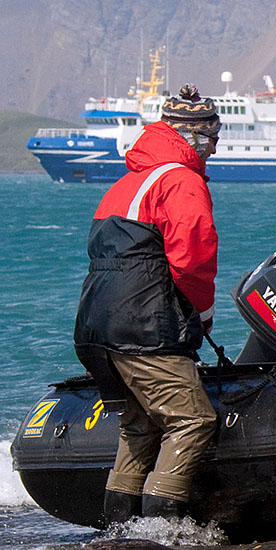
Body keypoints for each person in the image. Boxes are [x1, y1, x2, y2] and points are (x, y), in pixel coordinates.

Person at [73, 83, 221, 522]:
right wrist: (203, 314)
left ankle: (119, 531)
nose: (215, 147)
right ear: (194, 134)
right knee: (191, 421)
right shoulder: (181, 180)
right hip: (144, 326)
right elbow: (193, 255)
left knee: (139, 427)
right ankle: (163, 531)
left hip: (97, 327)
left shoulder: (127, 183)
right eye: (214, 136)